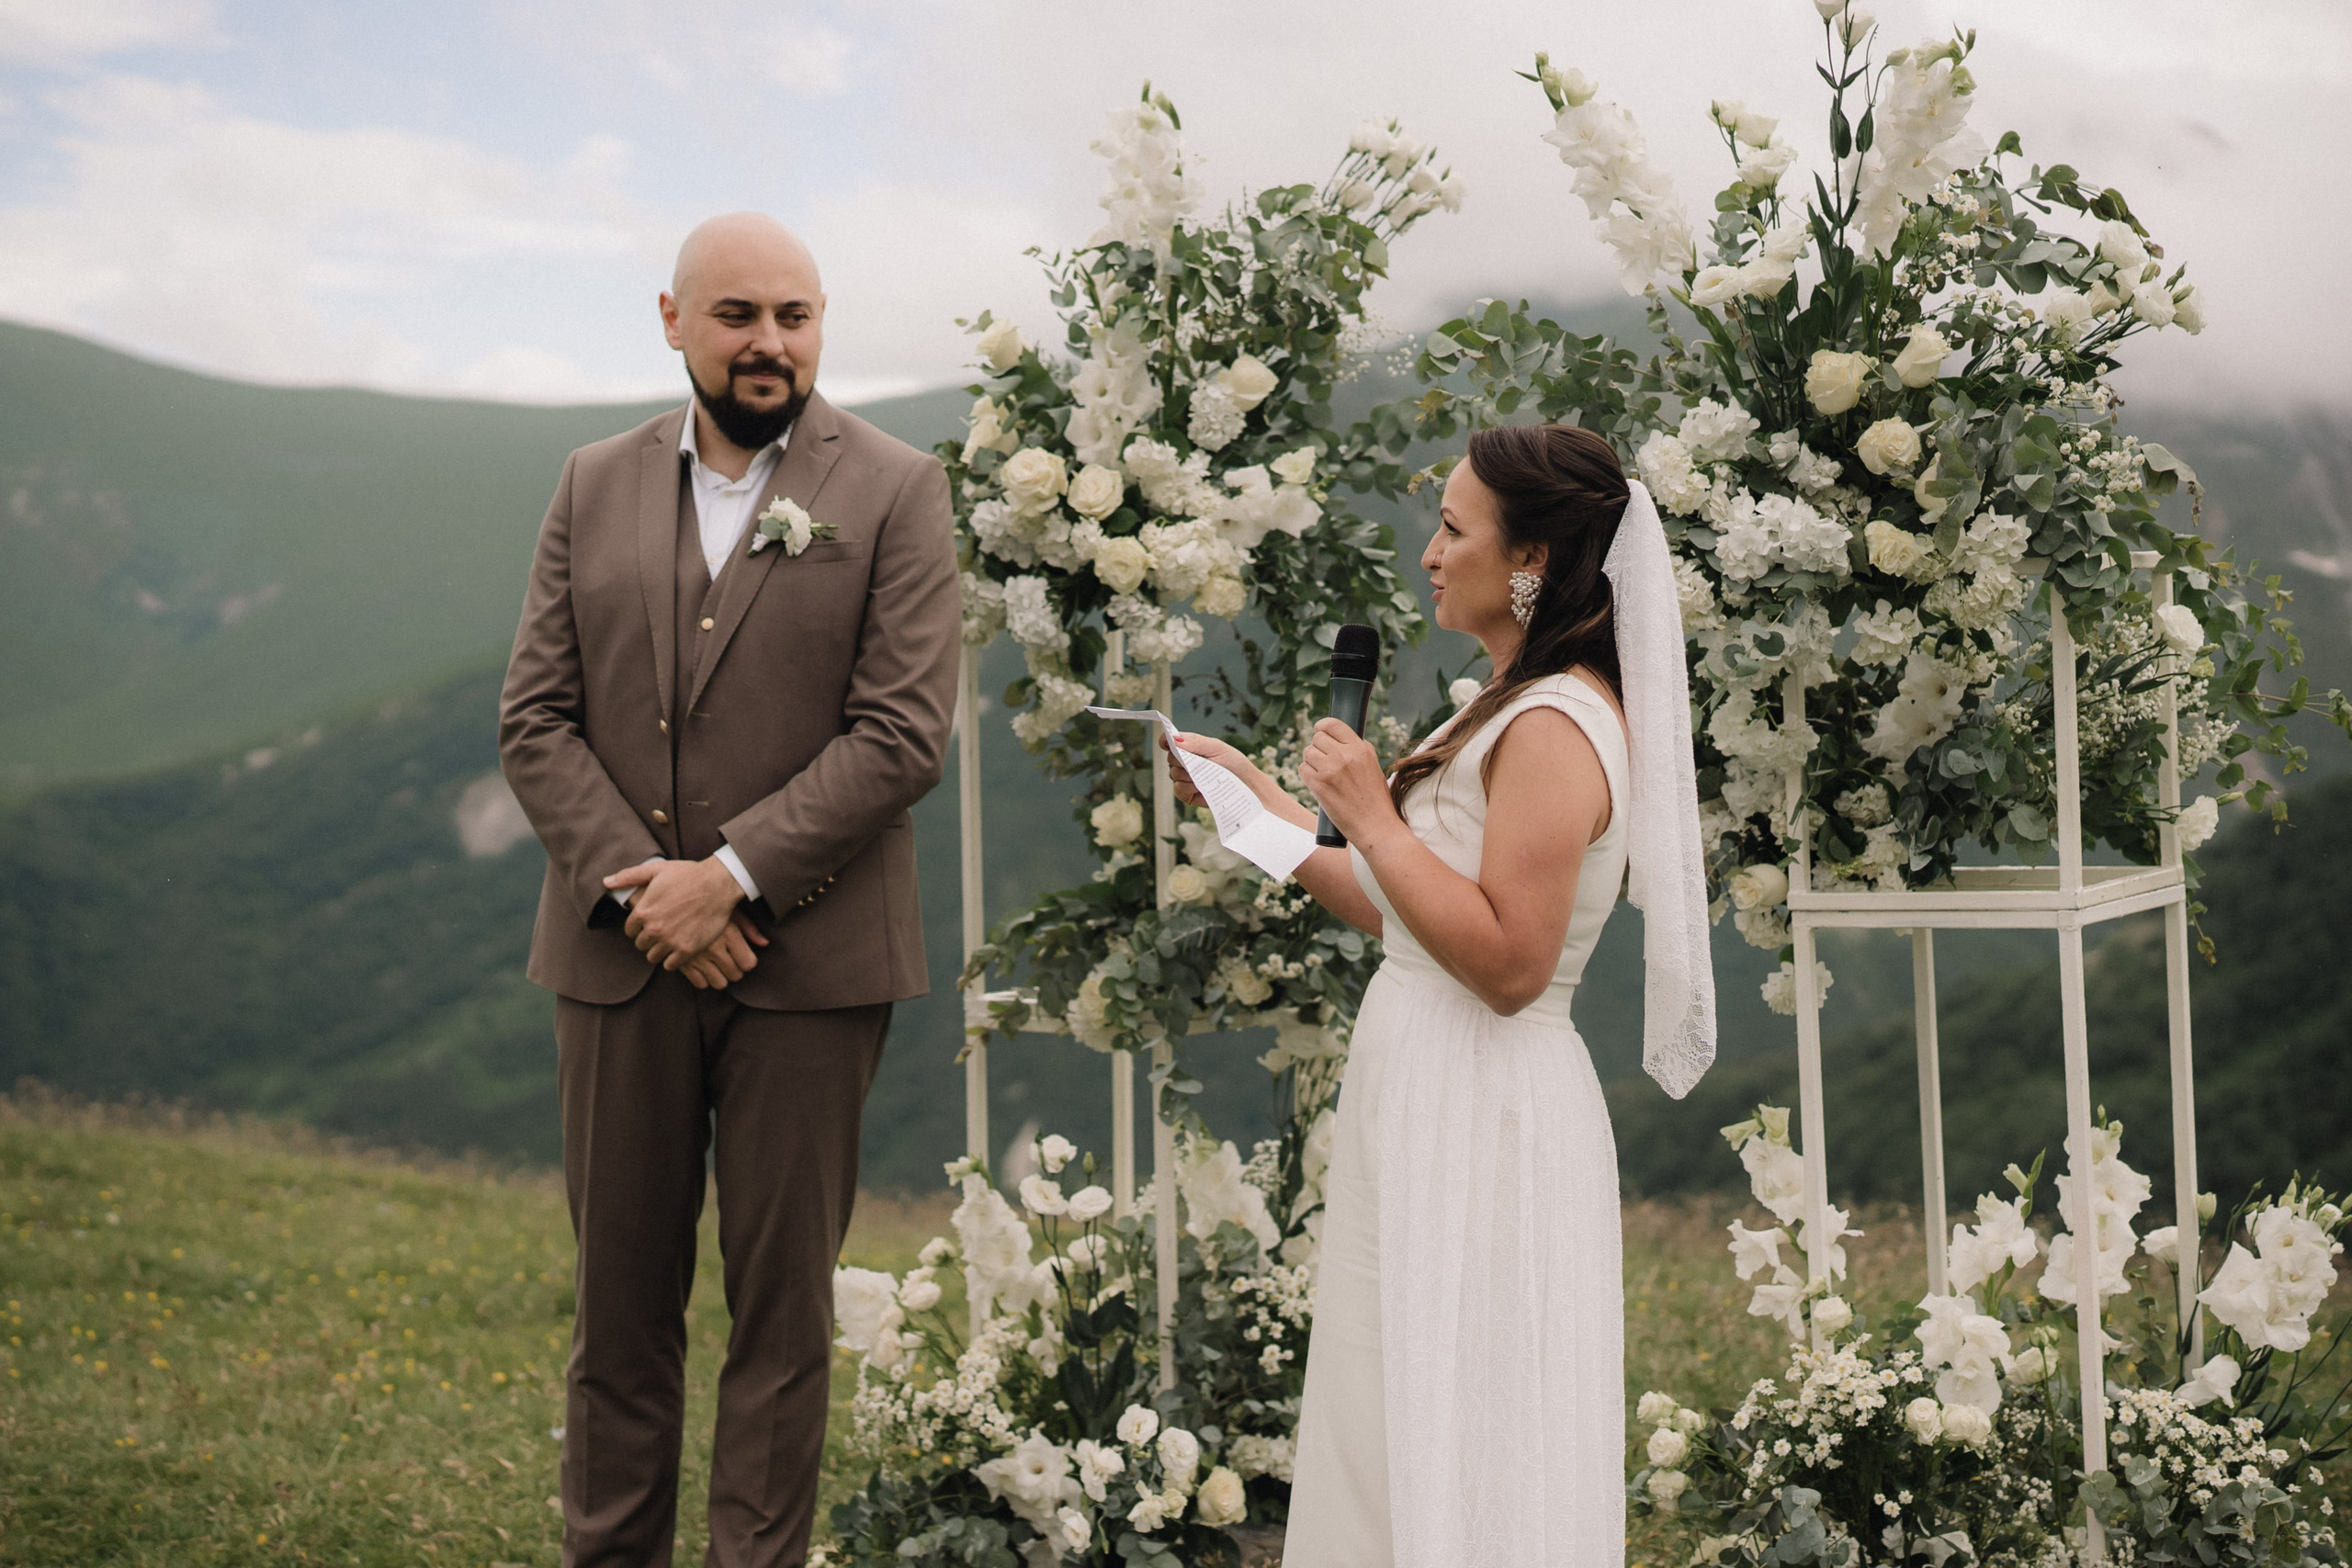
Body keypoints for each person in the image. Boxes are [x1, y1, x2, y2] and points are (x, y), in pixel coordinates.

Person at [1164, 423, 1716, 1566]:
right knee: (1389, 1398)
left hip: (1485, 1101)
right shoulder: (1503, 700)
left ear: (1535, 562)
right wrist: (1255, 809)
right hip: (1421, 1087)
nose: (1429, 551)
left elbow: (1512, 965)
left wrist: (1368, 810)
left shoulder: (1556, 725)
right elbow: (1403, 913)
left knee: (1466, 1406)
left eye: (1455, 528)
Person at [498, 212, 960, 1568]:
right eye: (740, 314)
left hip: (811, 971)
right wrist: (649, 897)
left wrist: (732, 879)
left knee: (780, 1316)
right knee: (619, 1313)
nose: (771, 342)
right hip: (617, 952)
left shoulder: (895, 486)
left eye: (797, 316)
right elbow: (535, 717)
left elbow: (900, 734)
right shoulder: (589, 480)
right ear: (672, 318)